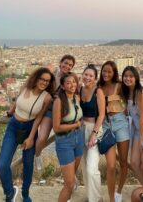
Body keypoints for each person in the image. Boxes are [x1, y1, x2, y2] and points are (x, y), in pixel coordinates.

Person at [0, 67, 55, 202]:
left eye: (47, 81)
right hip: (13, 126)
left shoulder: (46, 97)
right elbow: (16, 102)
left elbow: (39, 118)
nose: (45, 83)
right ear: (36, 78)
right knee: (2, 164)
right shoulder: (25, 87)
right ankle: (10, 192)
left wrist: (30, 138)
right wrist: (9, 112)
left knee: (28, 165)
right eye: (42, 79)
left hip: (30, 128)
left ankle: (25, 194)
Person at [35, 54, 76, 169]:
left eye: (70, 65)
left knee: (65, 143)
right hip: (49, 110)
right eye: (66, 63)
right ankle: (37, 156)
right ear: (60, 62)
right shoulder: (51, 76)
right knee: (42, 137)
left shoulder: (70, 79)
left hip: (63, 112)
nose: (67, 66)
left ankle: (68, 170)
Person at [98, 61, 129, 202]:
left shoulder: (119, 86)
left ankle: (119, 192)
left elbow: (131, 99)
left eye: (109, 72)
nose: (106, 74)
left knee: (123, 162)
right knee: (110, 166)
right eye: (104, 71)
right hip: (106, 125)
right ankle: (111, 199)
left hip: (120, 122)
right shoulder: (98, 87)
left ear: (114, 72)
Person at [53, 73, 84, 202]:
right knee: (70, 184)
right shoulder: (59, 101)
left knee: (71, 179)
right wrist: (76, 124)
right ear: (63, 86)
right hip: (65, 140)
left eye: (74, 82)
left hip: (79, 138)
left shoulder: (77, 98)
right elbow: (56, 127)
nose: (72, 85)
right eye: (68, 83)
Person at [80, 64, 105, 202]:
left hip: (94, 129)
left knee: (91, 168)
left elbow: (101, 115)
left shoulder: (98, 92)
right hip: (80, 129)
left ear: (95, 78)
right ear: (82, 75)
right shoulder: (79, 89)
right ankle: (91, 197)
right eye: (86, 74)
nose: (88, 77)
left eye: (91, 76)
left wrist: (94, 133)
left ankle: (97, 198)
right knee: (84, 165)